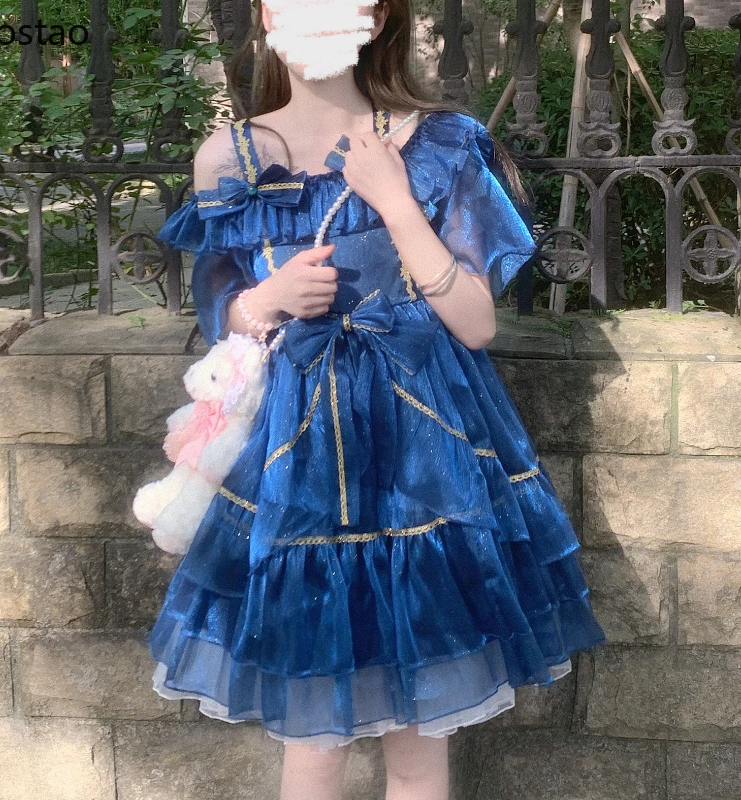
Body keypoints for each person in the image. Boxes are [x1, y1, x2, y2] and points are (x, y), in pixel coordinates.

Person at [148, 0, 607, 798]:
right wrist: (270, 299)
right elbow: (228, 320)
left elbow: (476, 323)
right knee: (313, 736)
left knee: (419, 740)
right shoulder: (229, 157)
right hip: (298, 457)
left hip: (425, 455)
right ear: (266, 13)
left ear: (378, 11)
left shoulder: (443, 141)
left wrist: (394, 200)